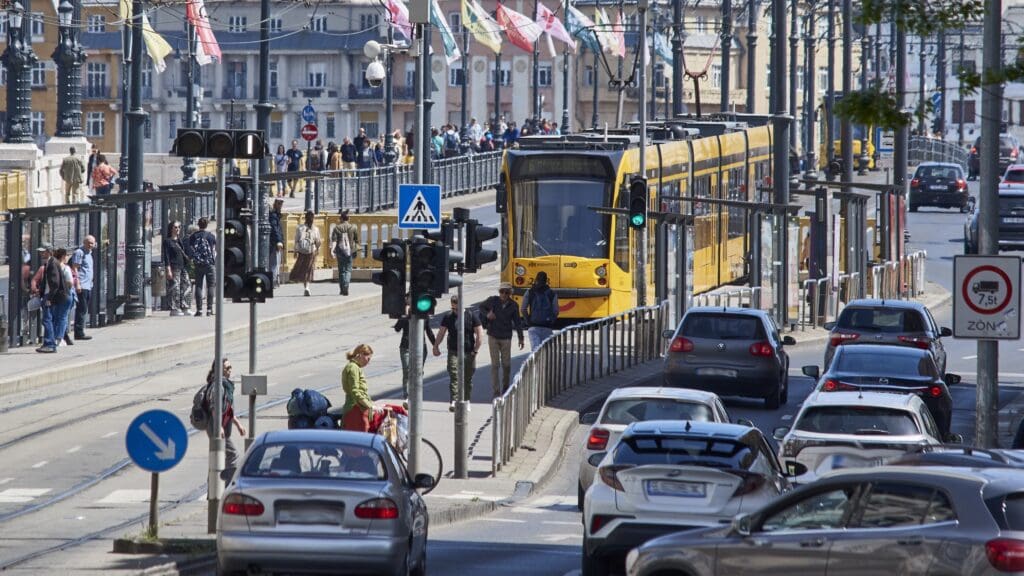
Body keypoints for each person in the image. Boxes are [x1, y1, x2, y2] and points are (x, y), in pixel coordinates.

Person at [433, 295, 484, 411]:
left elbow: (480, 334)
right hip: (453, 351)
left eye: (457, 309)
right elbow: (441, 333)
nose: (455, 311)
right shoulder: (448, 317)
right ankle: (454, 401)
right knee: (454, 375)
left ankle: (466, 400)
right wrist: (436, 346)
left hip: (468, 351)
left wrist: (475, 350)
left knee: (467, 377)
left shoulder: (471, 316)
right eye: (453, 309)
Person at [480, 282, 525, 397]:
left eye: (507, 292)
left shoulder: (514, 305)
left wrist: (521, 338)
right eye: (502, 291)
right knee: (495, 365)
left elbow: (518, 323)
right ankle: (496, 391)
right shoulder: (492, 300)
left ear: (510, 293)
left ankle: (505, 388)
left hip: (506, 338)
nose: (504, 294)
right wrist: (487, 314)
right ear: (499, 292)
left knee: (506, 365)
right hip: (493, 336)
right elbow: (481, 307)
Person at [206, 358, 246, 481]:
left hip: (220, 427)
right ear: (219, 370)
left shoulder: (225, 385)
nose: (230, 370)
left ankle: (213, 489)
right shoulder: (218, 386)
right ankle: (229, 485)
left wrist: (238, 424)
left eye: (230, 367)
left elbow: (227, 409)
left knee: (218, 458)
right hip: (216, 427)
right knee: (233, 455)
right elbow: (214, 407)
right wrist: (220, 426)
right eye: (227, 368)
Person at [394, 294, 437, 400]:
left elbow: (429, 331)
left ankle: (417, 393)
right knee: (407, 371)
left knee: (418, 371)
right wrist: (404, 315)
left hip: (421, 348)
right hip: (406, 347)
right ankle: (407, 396)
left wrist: (435, 345)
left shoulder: (423, 317)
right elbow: (397, 328)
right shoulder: (405, 316)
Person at [37, 248, 73, 353]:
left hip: (50, 296)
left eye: (43, 252)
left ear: (49, 251)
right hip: (50, 295)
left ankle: (50, 344)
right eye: (40, 252)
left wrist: (49, 298)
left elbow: (55, 283)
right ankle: (49, 343)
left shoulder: (52, 263)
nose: (41, 253)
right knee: (49, 320)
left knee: (47, 320)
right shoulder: (50, 262)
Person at [340, 344, 379, 433]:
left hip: (358, 408)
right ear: (361, 354)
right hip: (355, 410)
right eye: (368, 358)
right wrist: (369, 405)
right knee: (360, 440)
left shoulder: (355, 367)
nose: (368, 362)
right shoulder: (353, 368)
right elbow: (355, 392)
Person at [521, 271, 559, 349]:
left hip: (533, 326)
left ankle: (536, 361)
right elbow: (556, 311)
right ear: (546, 281)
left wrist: (528, 321)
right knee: (546, 351)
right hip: (547, 327)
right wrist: (551, 320)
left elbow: (523, 309)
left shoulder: (529, 292)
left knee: (535, 351)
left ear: (536, 280)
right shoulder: (552, 293)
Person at [188, 217, 217, 316]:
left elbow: (191, 249)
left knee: (199, 286)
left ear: (198, 225)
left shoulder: (193, 236)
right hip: (209, 264)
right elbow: (214, 249)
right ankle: (209, 309)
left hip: (198, 264)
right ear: (207, 225)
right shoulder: (211, 236)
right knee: (210, 286)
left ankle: (199, 310)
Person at [69, 235, 96, 340]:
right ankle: (79, 332)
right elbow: (75, 268)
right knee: (82, 308)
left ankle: (80, 330)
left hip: (88, 285)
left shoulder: (90, 254)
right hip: (82, 284)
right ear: (84, 242)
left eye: (92, 243)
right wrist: (78, 283)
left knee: (84, 308)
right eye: (88, 243)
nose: (90, 245)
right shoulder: (79, 252)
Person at [163, 221, 192, 316]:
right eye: (175, 227)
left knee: (186, 285)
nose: (178, 229)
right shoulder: (167, 241)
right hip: (174, 266)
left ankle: (185, 307)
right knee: (175, 288)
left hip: (182, 266)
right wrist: (168, 269)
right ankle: (174, 309)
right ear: (171, 228)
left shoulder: (180, 240)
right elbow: (166, 256)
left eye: (179, 227)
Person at [290, 210, 321, 296]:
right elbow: (318, 242)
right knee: (309, 269)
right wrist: (318, 249)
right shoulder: (315, 229)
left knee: (303, 269)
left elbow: (296, 240)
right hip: (311, 251)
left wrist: (295, 251)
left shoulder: (300, 228)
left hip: (302, 251)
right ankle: (307, 287)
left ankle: (305, 286)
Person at [330, 209, 358, 295]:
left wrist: (332, 250)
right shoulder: (353, 227)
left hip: (340, 251)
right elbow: (356, 240)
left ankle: (342, 289)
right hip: (350, 251)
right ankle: (346, 285)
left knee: (341, 270)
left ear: (341, 219)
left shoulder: (336, 228)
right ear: (348, 219)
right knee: (348, 270)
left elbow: (334, 241)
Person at [268, 198, 285, 287]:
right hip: (274, 243)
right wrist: (279, 241)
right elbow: (275, 229)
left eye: (281, 203)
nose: (280, 205)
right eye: (279, 203)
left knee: (275, 262)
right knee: (274, 262)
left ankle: (274, 280)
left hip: (275, 242)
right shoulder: (273, 215)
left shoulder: (276, 215)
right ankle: (273, 281)